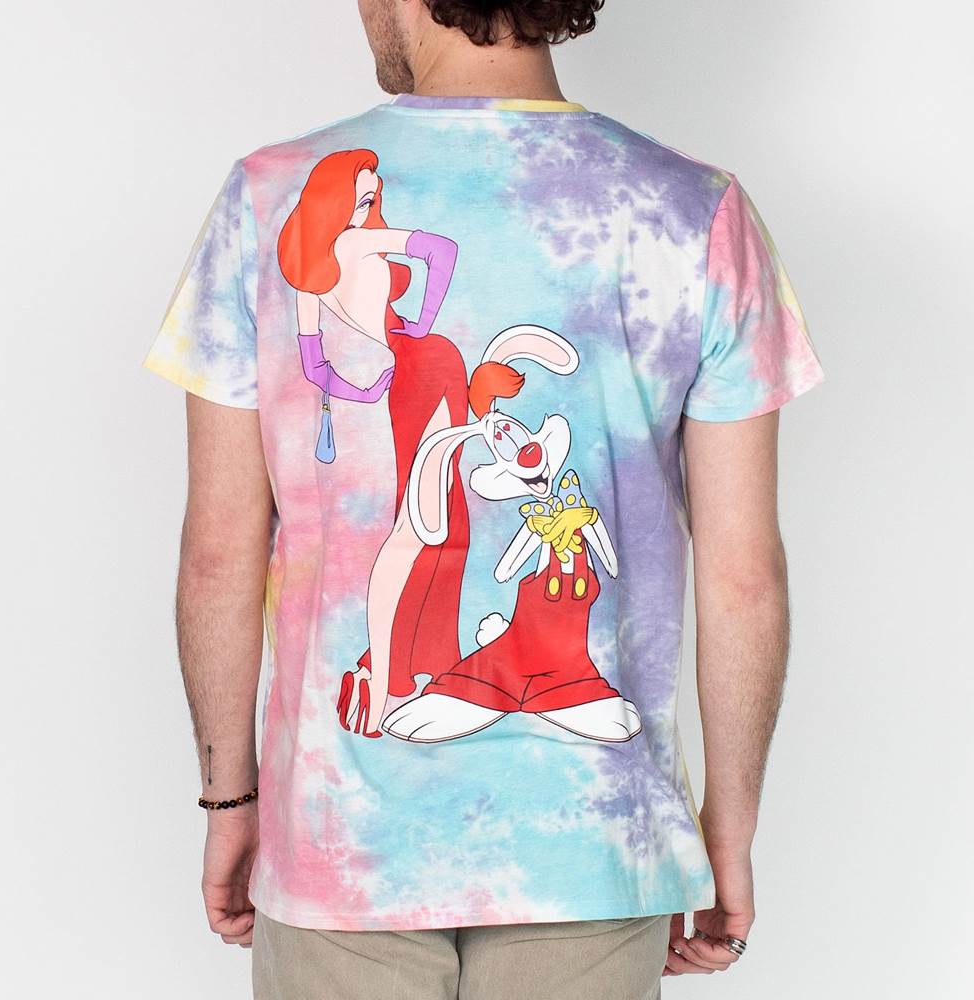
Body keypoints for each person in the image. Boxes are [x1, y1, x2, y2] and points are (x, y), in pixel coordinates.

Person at [143, 1, 824, 997]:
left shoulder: (264, 197)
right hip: (593, 849)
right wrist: (724, 831)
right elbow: (743, 573)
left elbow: (218, 555)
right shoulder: (693, 212)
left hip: (341, 843)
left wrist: (229, 800)